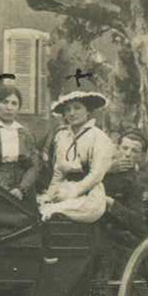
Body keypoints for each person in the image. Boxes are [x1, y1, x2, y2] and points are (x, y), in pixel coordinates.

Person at [37, 90, 113, 224]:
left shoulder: (98, 137)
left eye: (77, 108)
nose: (72, 113)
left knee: (49, 211)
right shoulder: (62, 137)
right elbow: (59, 172)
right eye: (68, 109)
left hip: (89, 197)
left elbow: (96, 175)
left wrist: (73, 192)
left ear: (88, 111)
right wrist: (50, 195)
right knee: (39, 208)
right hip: (65, 191)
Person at [0, 84, 46, 199]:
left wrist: (21, 189)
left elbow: (34, 165)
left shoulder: (25, 133)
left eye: (14, 103)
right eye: (5, 102)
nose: (9, 107)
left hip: (22, 190)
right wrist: (3, 189)